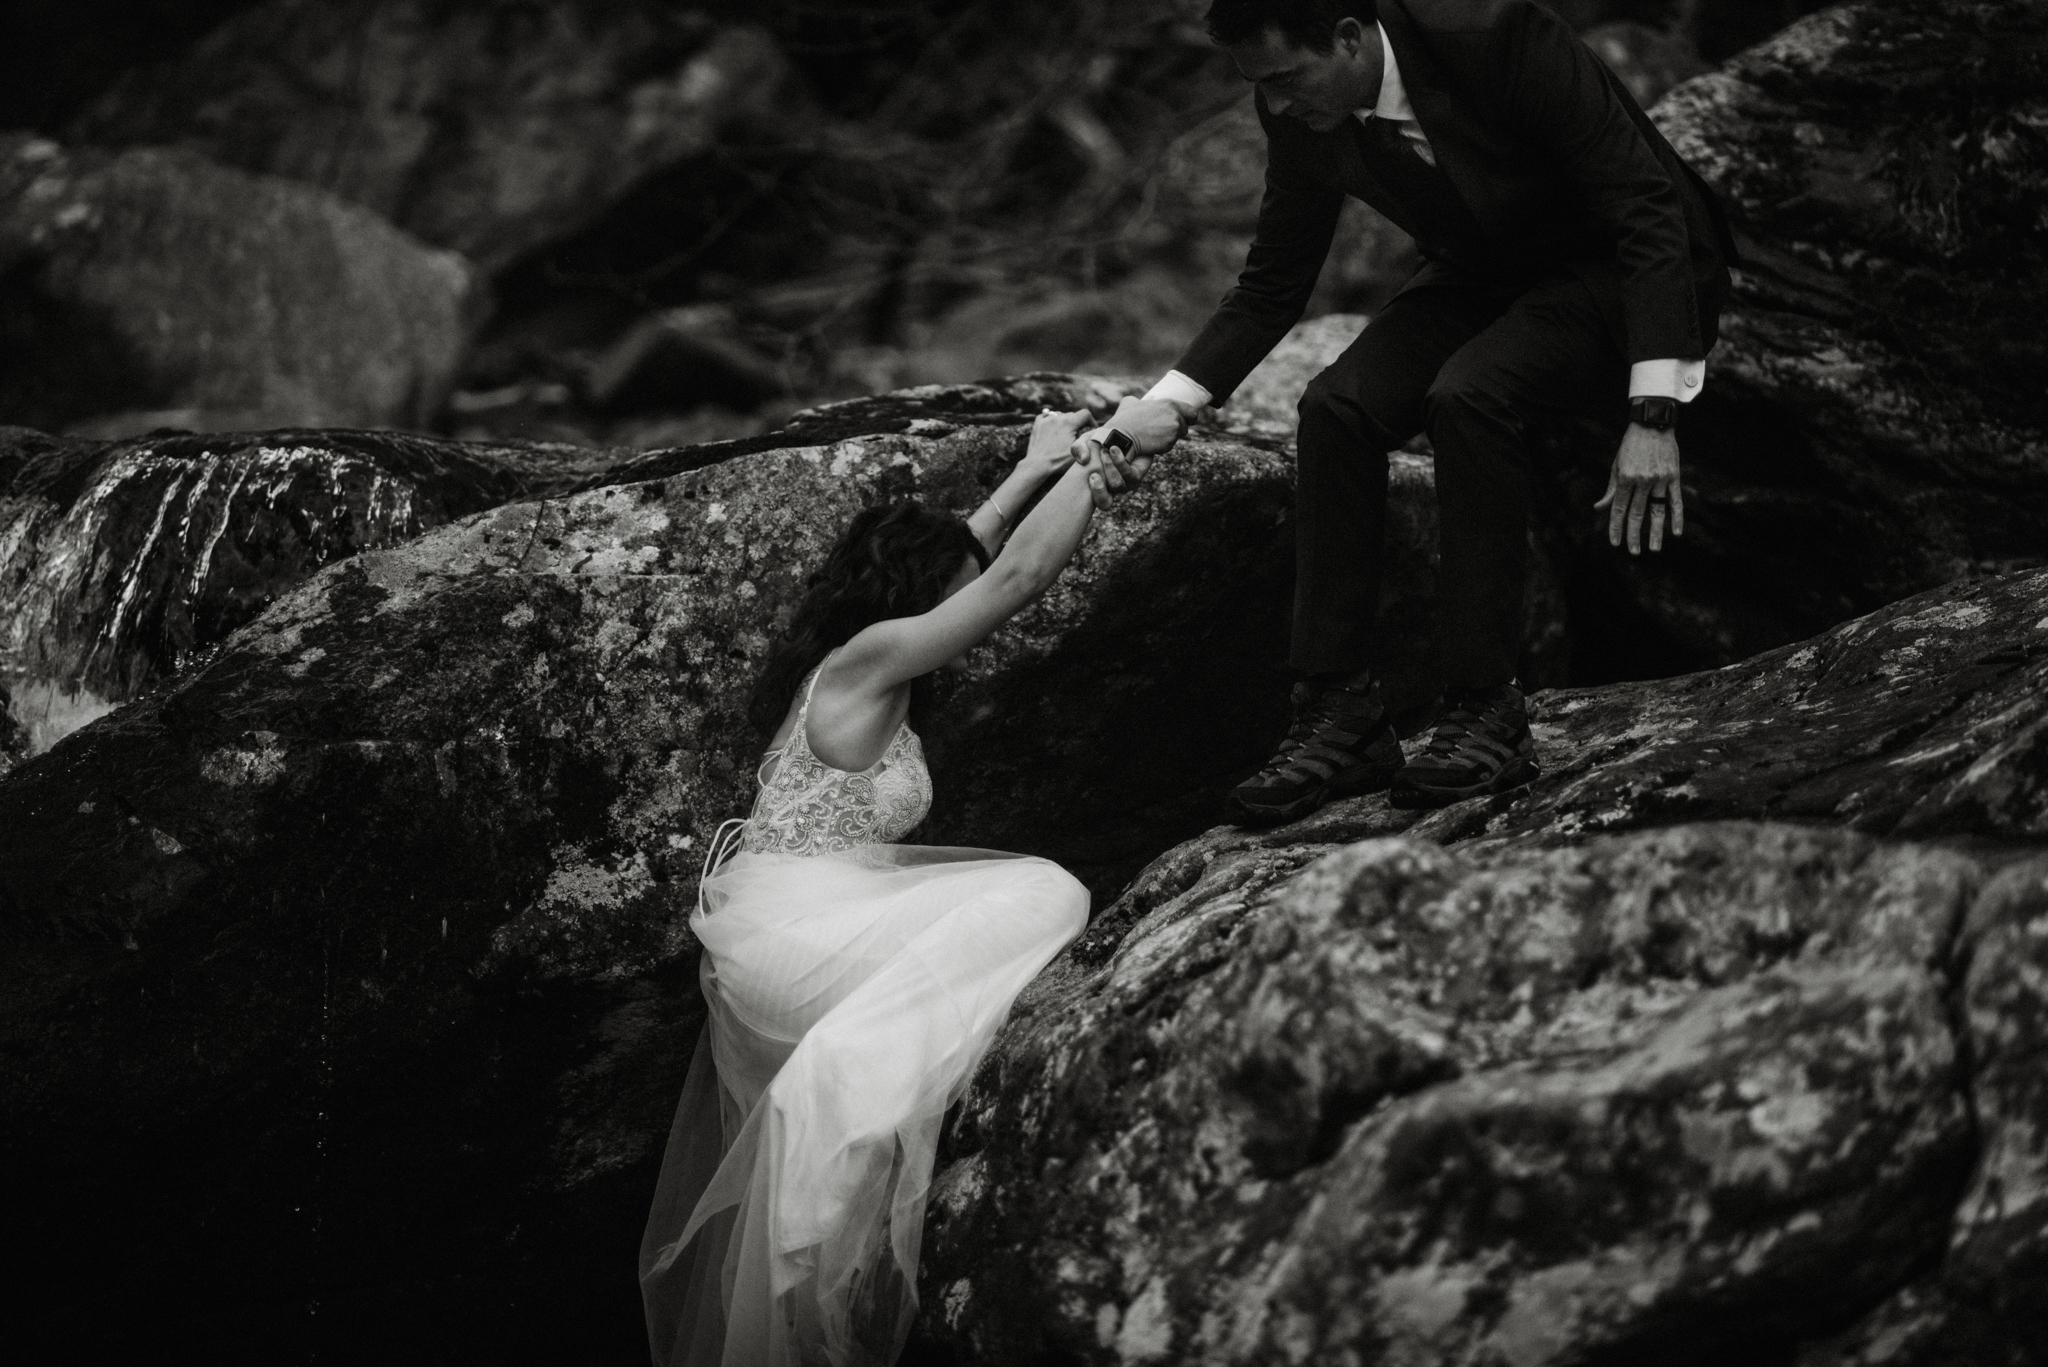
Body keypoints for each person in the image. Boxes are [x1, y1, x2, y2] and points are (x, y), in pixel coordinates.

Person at [1074, 0, 1735, 823]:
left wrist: (1654, 412)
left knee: (1470, 394)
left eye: (1283, 80)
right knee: (1336, 406)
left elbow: (1644, 203)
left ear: (1349, 35)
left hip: (1618, 265)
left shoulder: (1496, 35)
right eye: (1260, 87)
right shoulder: (1295, 100)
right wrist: (1162, 406)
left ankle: (1487, 710)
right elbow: (1273, 282)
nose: (1274, 106)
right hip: (1488, 269)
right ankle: (1340, 712)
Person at [639, 401, 1184, 1367]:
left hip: (808, 915)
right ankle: (837, 1099)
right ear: (906, 594)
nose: (954, 597)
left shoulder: (862, 660)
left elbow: (971, 552)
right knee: (1045, 891)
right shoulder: (865, 660)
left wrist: (1028, 470)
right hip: (791, 932)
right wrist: (1098, 466)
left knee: (1030, 894)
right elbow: (1010, 577)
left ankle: (838, 1101)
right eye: (939, 587)